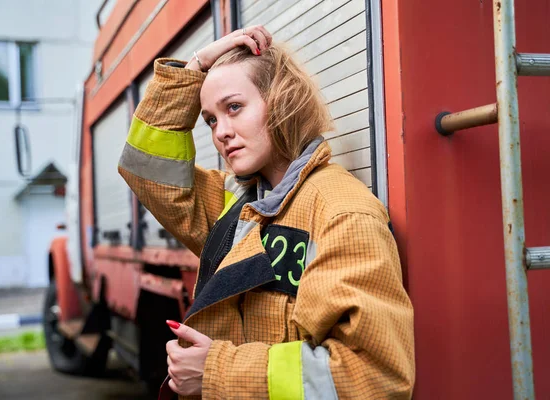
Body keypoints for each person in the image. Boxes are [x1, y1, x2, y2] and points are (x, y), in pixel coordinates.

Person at [119, 25, 415, 399]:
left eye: (234, 108)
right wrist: (196, 66)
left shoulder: (342, 213)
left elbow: (373, 376)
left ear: (281, 100)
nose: (221, 132)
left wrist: (215, 371)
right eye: (211, 119)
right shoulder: (238, 203)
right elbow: (144, 168)